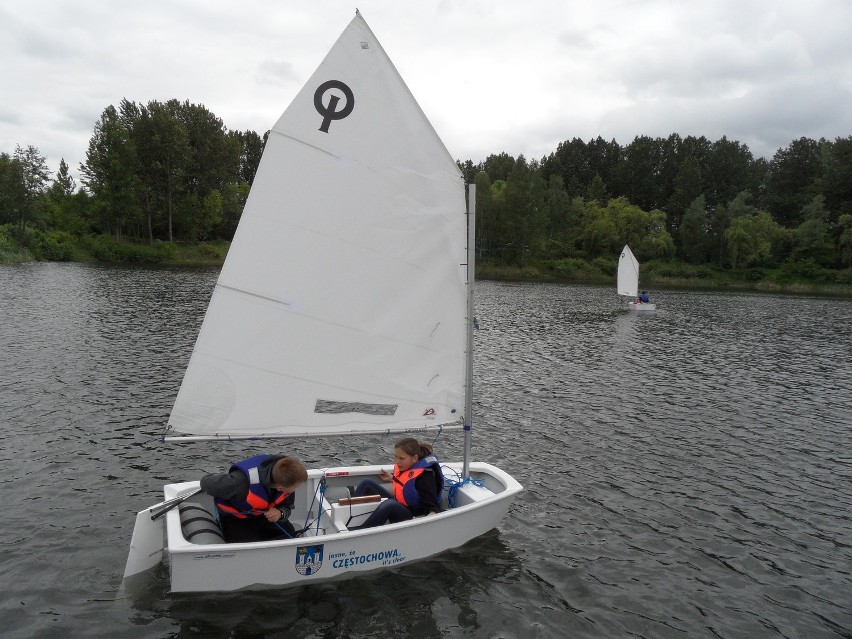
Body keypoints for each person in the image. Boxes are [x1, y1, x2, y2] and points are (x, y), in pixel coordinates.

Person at [200, 454, 308, 543]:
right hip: (236, 518)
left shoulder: (288, 480)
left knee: (289, 536)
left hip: (262, 516)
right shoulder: (239, 482)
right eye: (296, 488)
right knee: (248, 547)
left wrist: (280, 513)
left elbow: (287, 507)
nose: (296, 490)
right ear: (280, 487)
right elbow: (205, 482)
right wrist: (226, 483)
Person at [350, 437, 444, 529]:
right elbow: (407, 483)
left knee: (390, 504)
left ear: (415, 458)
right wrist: (392, 479)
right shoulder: (408, 467)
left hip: (412, 517)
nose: (397, 462)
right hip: (401, 505)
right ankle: (349, 517)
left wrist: (422, 522)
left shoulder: (425, 478)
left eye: (401, 458)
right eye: (396, 457)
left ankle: (361, 532)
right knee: (366, 483)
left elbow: (434, 508)